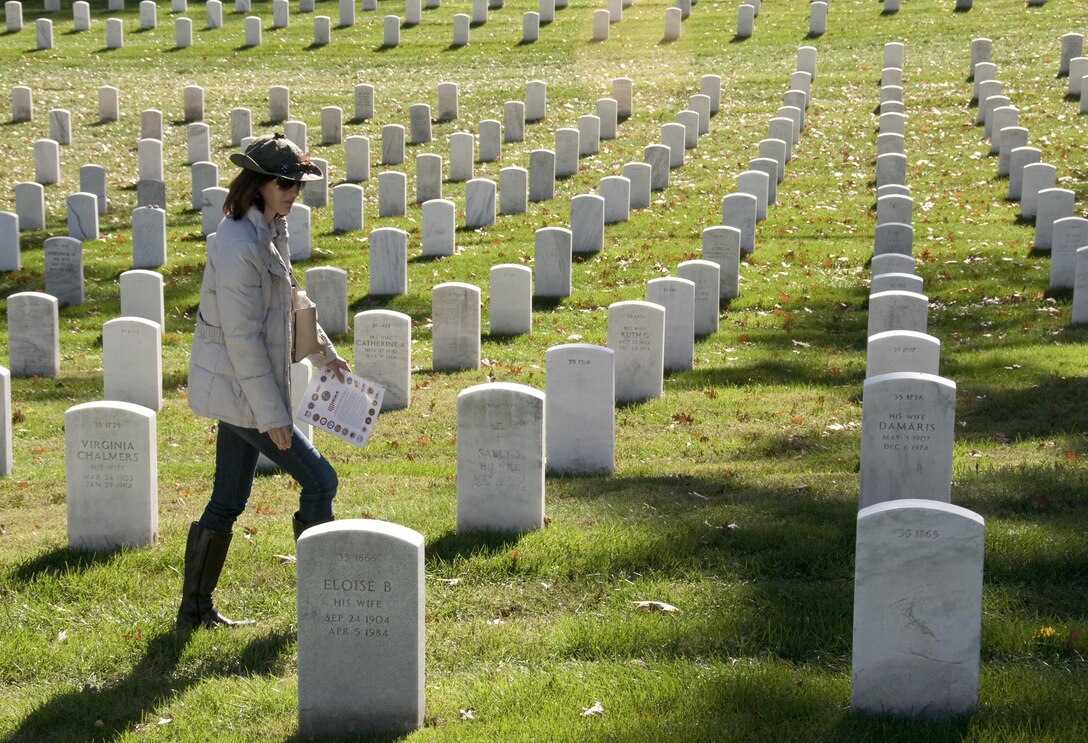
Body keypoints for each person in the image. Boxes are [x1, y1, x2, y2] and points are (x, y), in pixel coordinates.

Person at [178, 133, 351, 629]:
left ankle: (193, 611)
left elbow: (291, 303)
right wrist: (273, 416)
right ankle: (323, 605)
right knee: (320, 479)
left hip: (241, 394)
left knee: (227, 500)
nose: (294, 191)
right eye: (285, 182)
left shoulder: (272, 229)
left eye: (298, 182)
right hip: (244, 393)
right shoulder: (236, 244)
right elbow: (243, 340)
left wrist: (326, 359)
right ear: (257, 184)